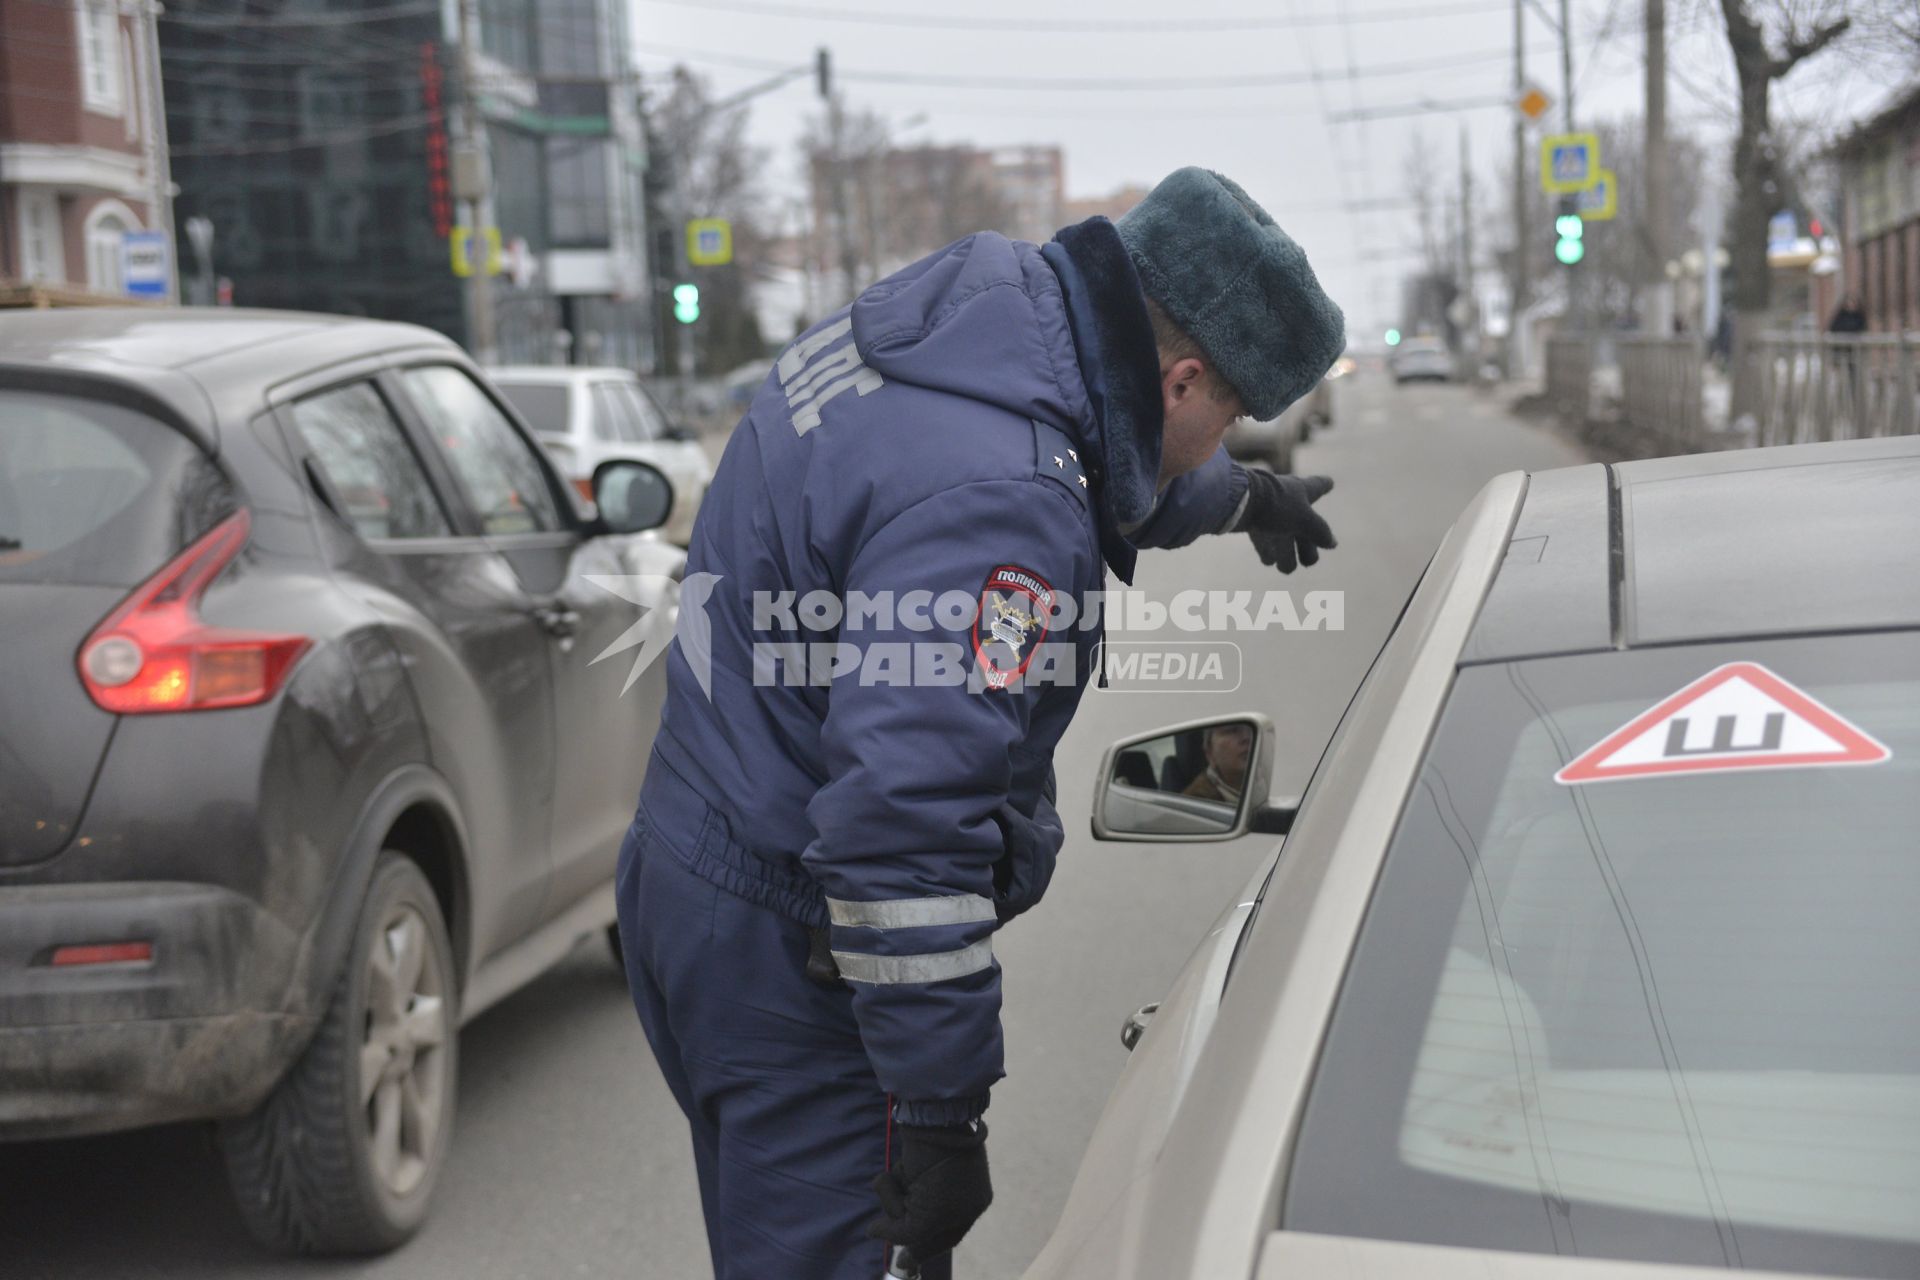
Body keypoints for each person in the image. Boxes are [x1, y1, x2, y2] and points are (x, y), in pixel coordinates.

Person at [614, 167, 1344, 1279]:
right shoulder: (1004, 508)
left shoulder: (982, 318)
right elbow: (903, 823)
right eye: (1229, 415)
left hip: (695, 861)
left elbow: (1105, 450)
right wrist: (939, 1106)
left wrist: (1240, 495)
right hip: (798, 956)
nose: (1220, 434)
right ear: (1185, 375)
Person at [1182, 722, 1253, 805]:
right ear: (1210, 753)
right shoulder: (1194, 802)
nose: (1247, 737)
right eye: (1231, 730)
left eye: (1251, 731)